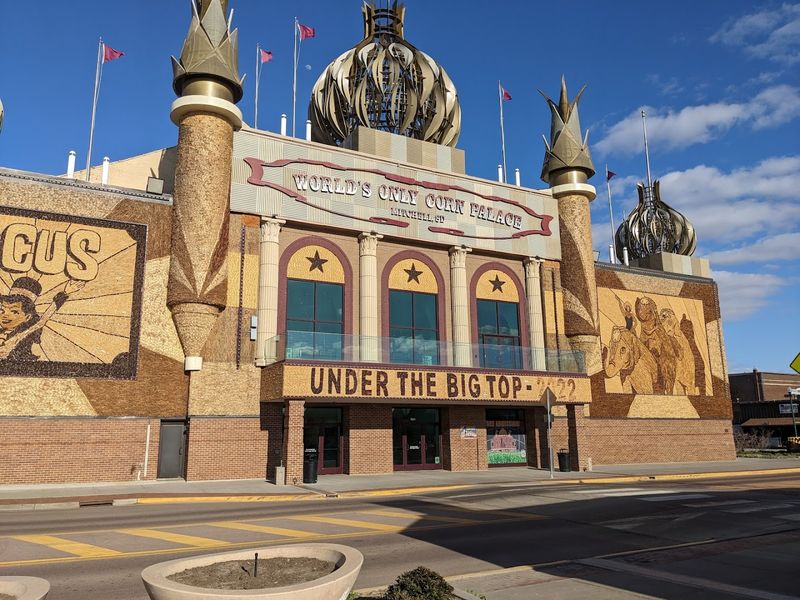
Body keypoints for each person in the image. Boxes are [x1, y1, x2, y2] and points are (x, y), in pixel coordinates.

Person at [0, 276, 85, 361]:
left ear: (27, 317)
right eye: (2, 310)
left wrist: (65, 294)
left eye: (14, 312)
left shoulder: (22, 334)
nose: (5, 315)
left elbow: (41, 321)